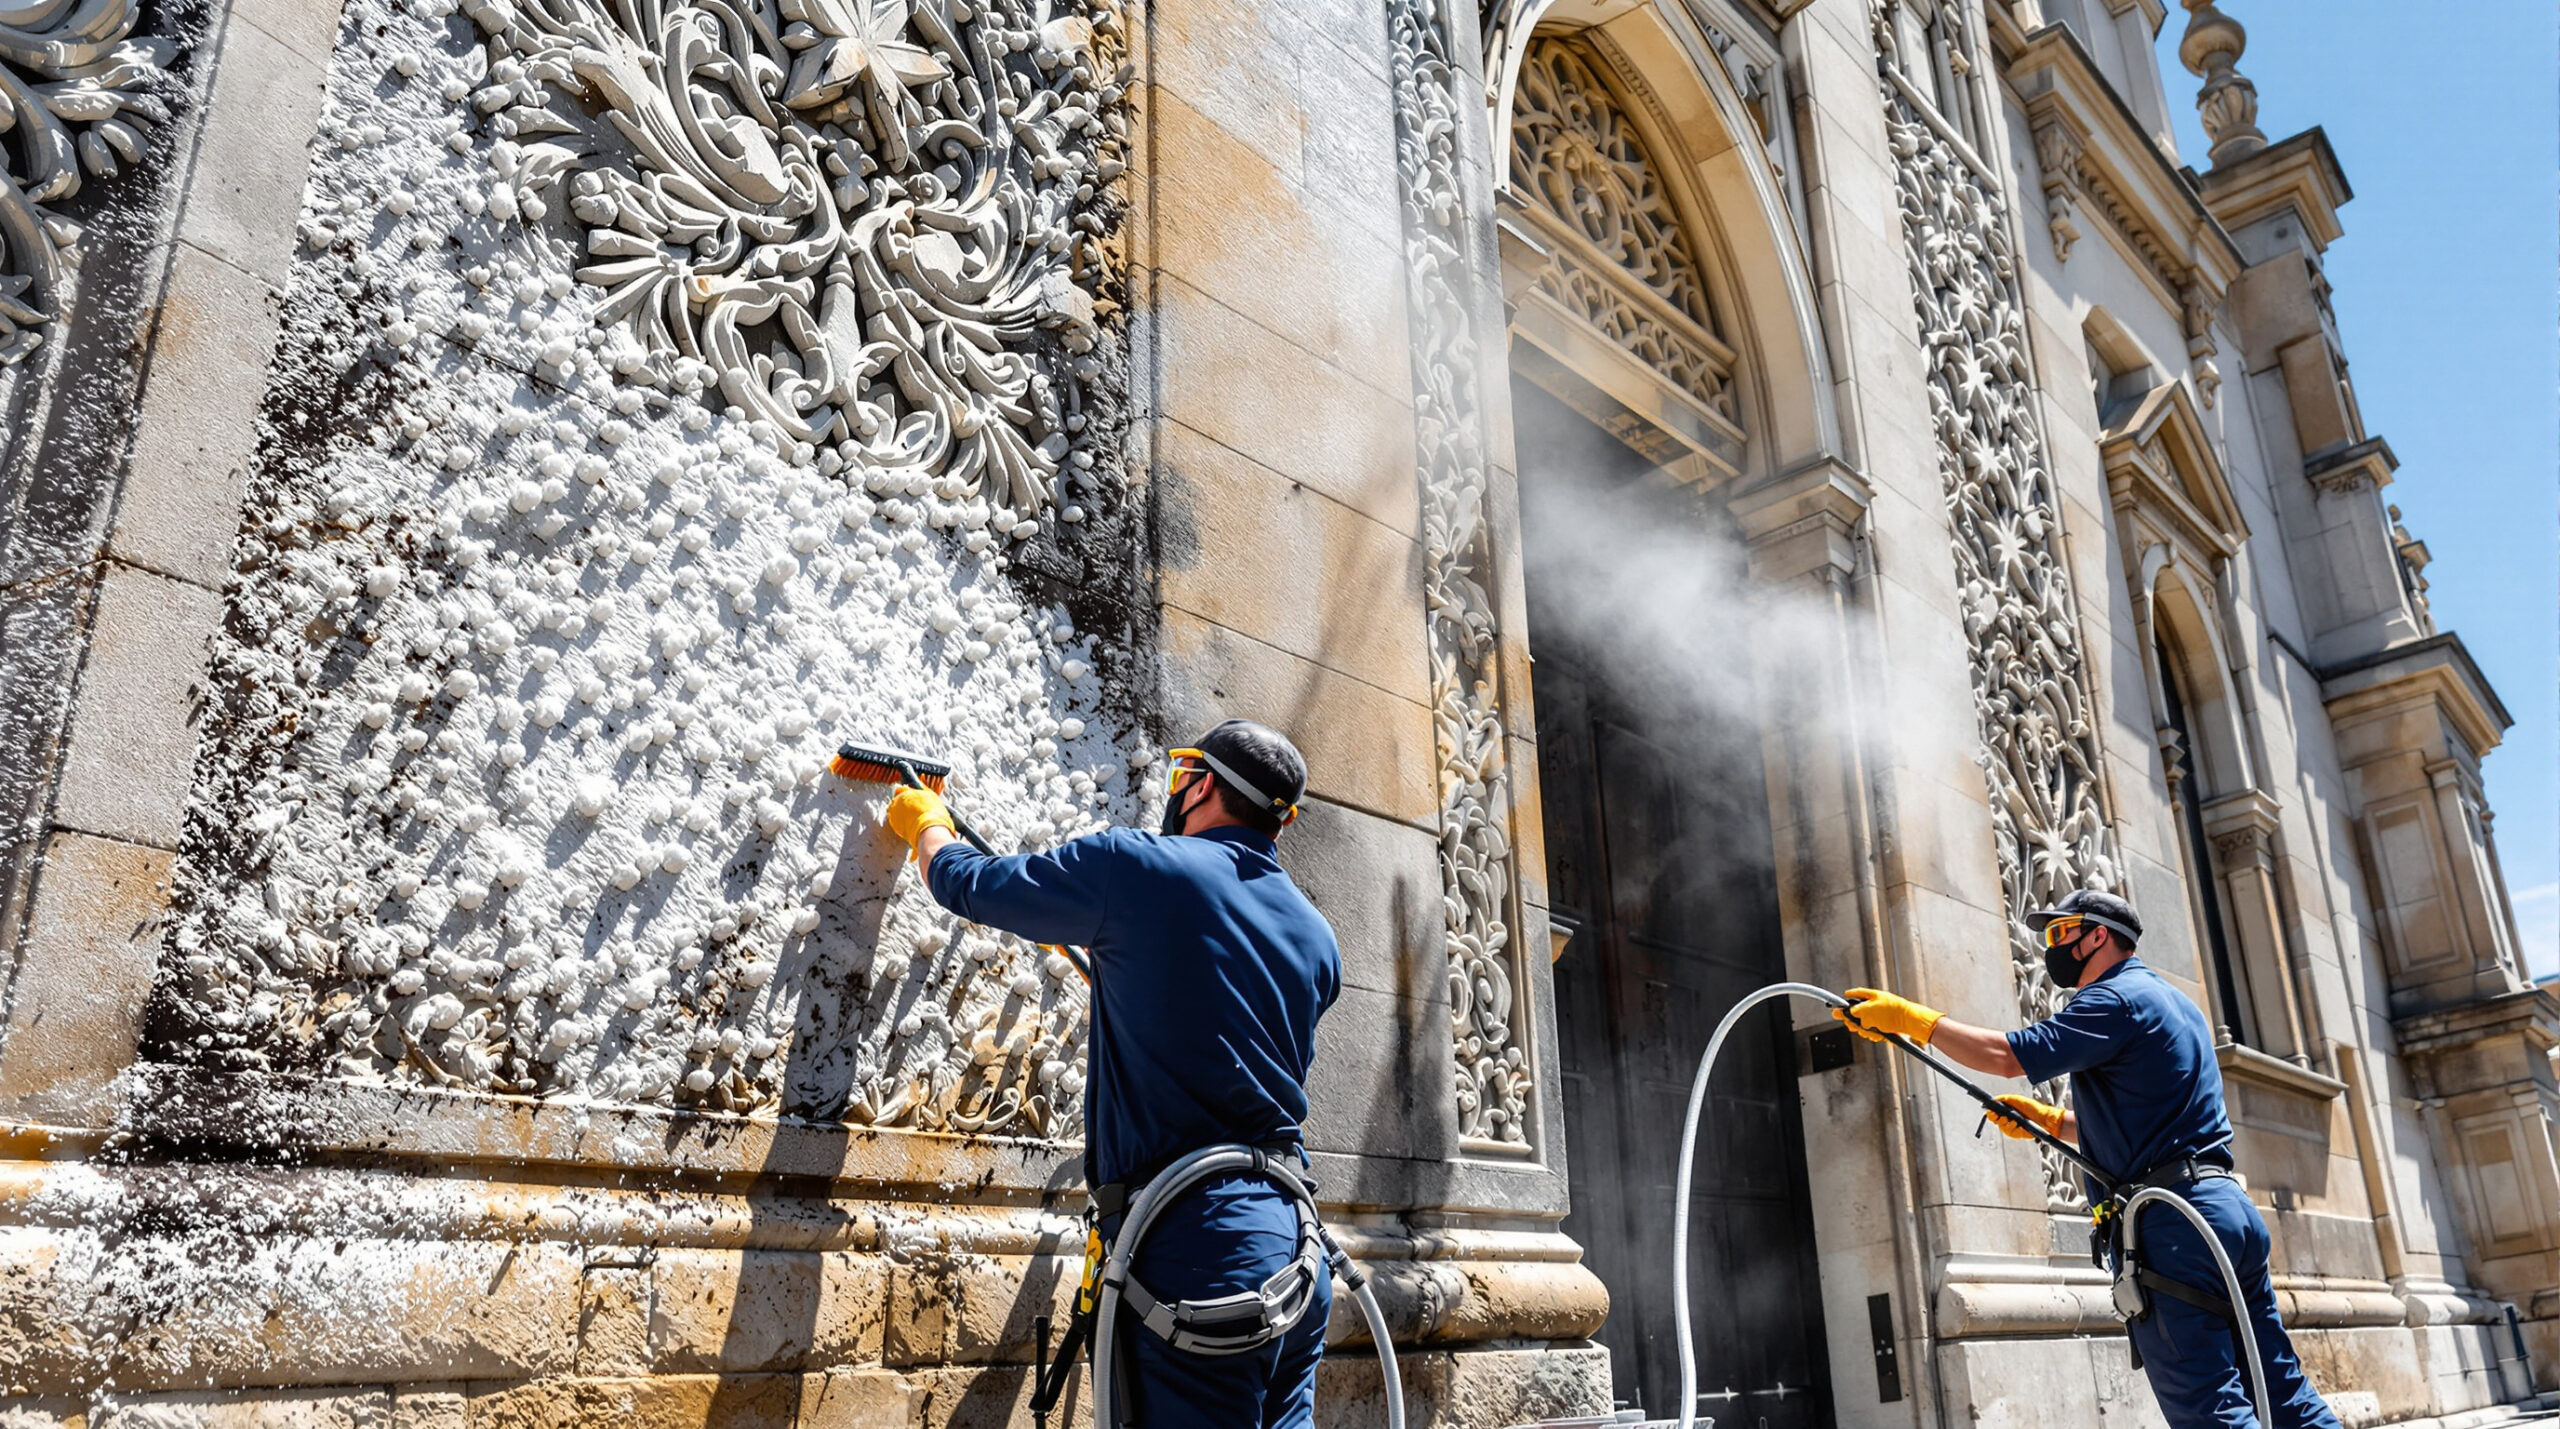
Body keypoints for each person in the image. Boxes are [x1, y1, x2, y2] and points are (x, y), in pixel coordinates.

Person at [883, 719, 1342, 1428]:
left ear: (1203, 785)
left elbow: (968, 883)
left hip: (1196, 1249)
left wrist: (929, 825)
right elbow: (1228, 1045)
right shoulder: (1317, 934)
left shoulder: (1139, 867)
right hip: (1295, 1245)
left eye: (1183, 773)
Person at [1831, 889, 2342, 1429]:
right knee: (2284, 1392)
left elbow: (2006, 1056)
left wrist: (1914, 1021)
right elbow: (2159, 1123)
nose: (2052, 947)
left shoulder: (2112, 1000)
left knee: (2212, 1409)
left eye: (2059, 933)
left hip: (2176, 1228)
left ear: (2098, 935)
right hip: (2226, 1213)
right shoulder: (2181, 1007)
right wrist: (2051, 1123)